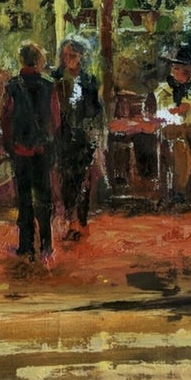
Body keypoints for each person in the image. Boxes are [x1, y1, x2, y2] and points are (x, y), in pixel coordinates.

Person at [1, 42, 56, 261]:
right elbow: (54, 118)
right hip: (41, 149)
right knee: (43, 196)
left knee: (24, 197)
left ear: (22, 60)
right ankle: (46, 243)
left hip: (21, 149)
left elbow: (6, 117)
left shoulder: (13, 86)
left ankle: (26, 244)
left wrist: (9, 145)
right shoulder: (49, 85)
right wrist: (49, 143)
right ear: (39, 60)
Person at [53, 38, 104, 240]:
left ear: (81, 57)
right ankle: (68, 217)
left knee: (83, 179)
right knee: (66, 178)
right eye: (65, 55)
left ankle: (80, 221)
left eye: (72, 55)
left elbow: (96, 109)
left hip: (84, 137)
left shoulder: (89, 81)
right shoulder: (55, 78)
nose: (68, 59)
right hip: (62, 137)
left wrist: (93, 131)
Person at [153, 47, 191, 203]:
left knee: (184, 138)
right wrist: (170, 112)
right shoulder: (163, 89)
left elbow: (185, 110)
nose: (178, 72)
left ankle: (180, 190)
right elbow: (162, 112)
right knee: (182, 136)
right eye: (175, 68)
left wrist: (173, 111)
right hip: (172, 127)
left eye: (183, 69)